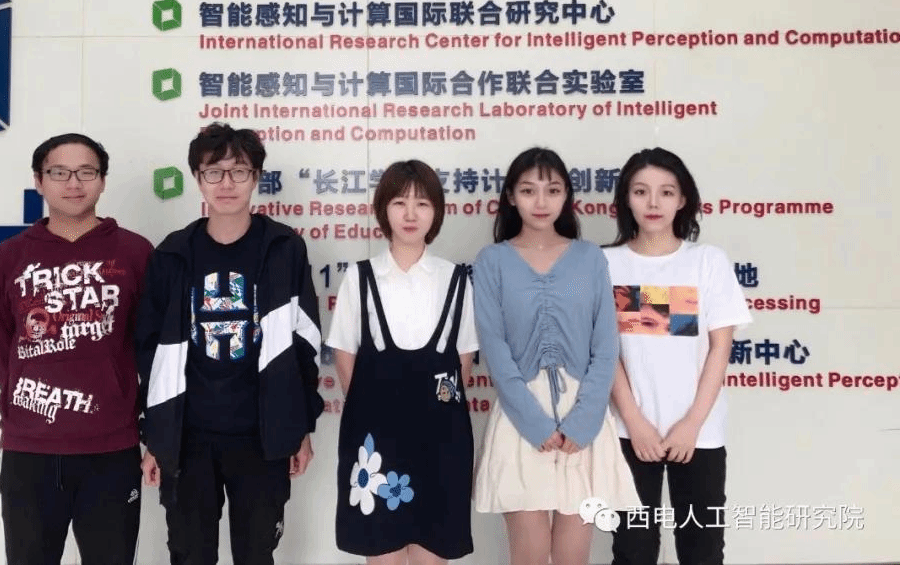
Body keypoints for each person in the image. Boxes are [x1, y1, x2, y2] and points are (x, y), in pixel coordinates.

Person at [136, 122, 323, 565]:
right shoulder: (172, 254)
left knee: (256, 554)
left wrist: (300, 428)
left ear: (256, 177)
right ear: (197, 178)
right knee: (189, 554)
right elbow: (150, 352)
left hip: (262, 434)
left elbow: (305, 343)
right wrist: (155, 435)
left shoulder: (283, 249)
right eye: (213, 172)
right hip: (188, 437)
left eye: (238, 171)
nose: (226, 183)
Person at [0, 133, 153, 565]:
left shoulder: (135, 253)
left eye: (86, 172)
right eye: (59, 172)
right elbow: (1, 348)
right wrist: (31, 401)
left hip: (111, 449)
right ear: (39, 180)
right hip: (29, 450)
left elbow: (151, 348)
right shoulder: (7, 258)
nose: (73, 183)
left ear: (103, 180)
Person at [472, 147, 639, 565]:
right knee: (528, 554)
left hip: (584, 417)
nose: (541, 201)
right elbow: (495, 348)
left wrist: (583, 422)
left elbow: (606, 345)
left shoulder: (589, 257)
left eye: (553, 190)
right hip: (519, 418)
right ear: (511, 197)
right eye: (528, 190)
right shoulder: (492, 260)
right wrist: (534, 422)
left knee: (572, 556)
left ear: (567, 195)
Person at [604, 147, 752, 565]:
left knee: (702, 549)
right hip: (629, 431)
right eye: (641, 191)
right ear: (626, 198)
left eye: (666, 192)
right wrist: (634, 422)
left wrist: (691, 424)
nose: (653, 203)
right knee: (633, 551)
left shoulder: (707, 261)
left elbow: (720, 347)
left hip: (699, 432)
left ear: (683, 199)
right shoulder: (604, 263)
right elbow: (605, 351)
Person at [327, 160, 478, 565]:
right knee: (382, 553)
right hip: (376, 438)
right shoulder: (360, 278)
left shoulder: (455, 279)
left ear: (437, 212)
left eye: (422, 203)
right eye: (399, 202)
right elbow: (344, 356)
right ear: (384, 210)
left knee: (433, 553)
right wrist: (378, 406)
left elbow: (462, 364)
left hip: (441, 439)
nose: (410, 214)